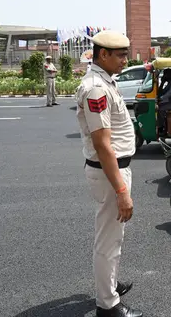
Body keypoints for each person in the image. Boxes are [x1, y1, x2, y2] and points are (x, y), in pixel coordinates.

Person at [75, 30, 142, 317]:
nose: (126, 60)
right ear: (104, 54)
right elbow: (103, 145)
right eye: (121, 55)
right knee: (108, 240)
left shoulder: (105, 81)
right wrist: (122, 191)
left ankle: (110, 286)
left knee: (114, 238)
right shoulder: (96, 89)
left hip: (113, 170)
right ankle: (108, 305)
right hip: (109, 172)